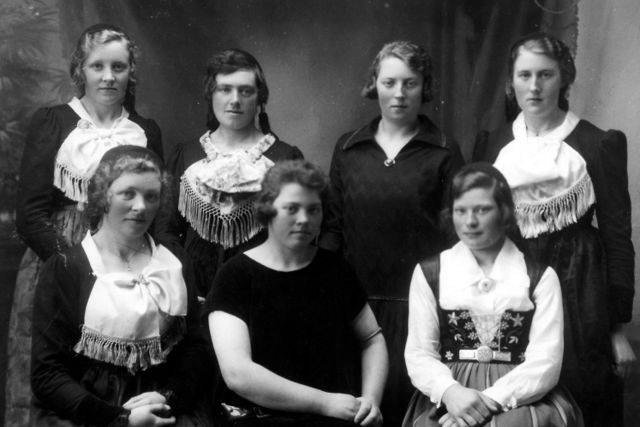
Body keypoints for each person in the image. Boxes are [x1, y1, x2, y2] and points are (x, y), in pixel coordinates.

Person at [472, 32, 635, 426]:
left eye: (545, 75)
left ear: (564, 79)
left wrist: (616, 329)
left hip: (581, 293)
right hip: (514, 288)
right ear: (511, 82)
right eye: (524, 75)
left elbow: (617, 238)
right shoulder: (493, 144)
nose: (534, 86)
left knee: (584, 395)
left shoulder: (596, 143)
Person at [8, 24, 162, 425]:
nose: (108, 77)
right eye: (98, 66)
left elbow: (154, 212)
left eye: (118, 67)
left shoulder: (145, 131)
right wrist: (73, 265)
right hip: (58, 256)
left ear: (131, 72)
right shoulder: (54, 122)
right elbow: (30, 215)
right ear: (81, 70)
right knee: (56, 370)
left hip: (126, 259)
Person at [320, 40, 464, 425]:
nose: (399, 93)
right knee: (358, 410)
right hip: (356, 306)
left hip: (420, 306)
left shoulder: (444, 151)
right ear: (375, 85)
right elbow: (333, 227)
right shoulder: (349, 148)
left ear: (424, 87)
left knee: (408, 408)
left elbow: (456, 238)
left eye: (410, 83)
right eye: (389, 82)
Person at [31, 145, 210, 426]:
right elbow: (47, 374)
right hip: (90, 412)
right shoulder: (66, 268)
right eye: (128, 193)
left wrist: (167, 398)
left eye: (151, 196)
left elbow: (194, 350)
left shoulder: (174, 262)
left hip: (163, 406)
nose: (141, 207)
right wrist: (121, 419)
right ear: (103, 195)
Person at [207, 160, 388, 426]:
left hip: (334, 419)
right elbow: (238, 374)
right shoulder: (235, 275)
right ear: (267, 210)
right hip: (260, 420)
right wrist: (325, 403)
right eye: (291, 209)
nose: (304, 219)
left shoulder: (335, 269)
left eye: (313, 209)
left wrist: (370, 400)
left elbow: (372, 340)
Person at [403, 162, 583, 427]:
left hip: (521, 394)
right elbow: (419, 354)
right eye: (460, 210)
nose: (470, 221)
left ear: (505, 213)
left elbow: (546, 361)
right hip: (450, 392)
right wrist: (451, 393)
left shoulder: (539, 277)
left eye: (482, 210)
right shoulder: (430, 273)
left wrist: (489, 400)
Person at [156, 48, 303, 296]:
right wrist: (184, 280)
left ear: (259, 98)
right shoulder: (186, 155)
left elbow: (299, 234)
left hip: (263, 290)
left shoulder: (285, 157)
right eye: (225, 89)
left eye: (245, 91)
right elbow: (165, 230)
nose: (235, 100)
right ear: (210, 94)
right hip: (195, 292)